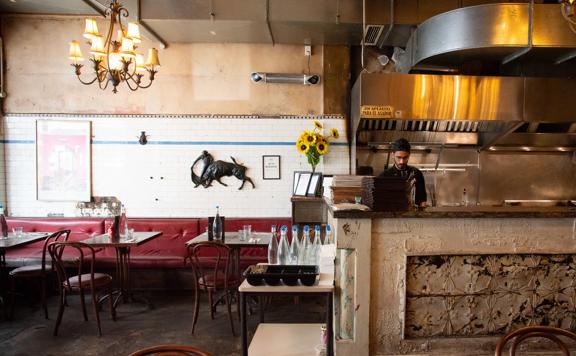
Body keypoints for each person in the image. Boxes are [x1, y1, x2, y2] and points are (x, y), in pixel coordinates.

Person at [379, 138, 427, 207]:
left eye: (405, 158)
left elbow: (422, 200)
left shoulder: (417, 173)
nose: (402, 161)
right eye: (399, 157)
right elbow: (380, 201)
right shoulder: (384, 176)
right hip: (391, 215)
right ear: (393, 155)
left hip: (413, 215)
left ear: (409, 155)